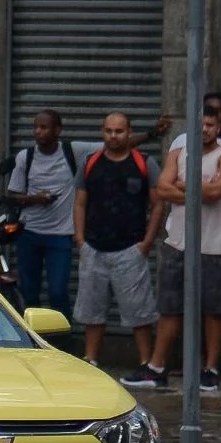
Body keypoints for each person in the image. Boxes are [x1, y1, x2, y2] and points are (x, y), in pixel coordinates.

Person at [133, 107, 221, 393]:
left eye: (210, 124)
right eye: (200, 124)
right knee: (169, 307)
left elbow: (217, 193)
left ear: (219, 128)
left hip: (213, 245)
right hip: (177, 241)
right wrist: (198, 187)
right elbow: (162, 189)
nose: (204, 129)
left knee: (212, 309)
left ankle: (211, 368)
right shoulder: (178, 154)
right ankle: (156, 367)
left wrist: (181, 185)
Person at [72, 112, 159, 373]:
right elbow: (79, 202)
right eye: (109, 131)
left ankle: (146, 364)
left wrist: (146, 243)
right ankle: (91, 361)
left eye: (119, 131)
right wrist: (80, 240)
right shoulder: (90, 163)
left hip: (130, 250)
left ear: (129, 132)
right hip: (94, 249)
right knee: (91, 312)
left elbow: (158, 205)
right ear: (102, 132)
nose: (113, 136)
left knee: (139, 314)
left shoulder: (145, 163)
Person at [7, 109, 83, 317]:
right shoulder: (26, 157)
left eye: (44, 127)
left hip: (60, 236)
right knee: (29, 293)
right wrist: (35, 199)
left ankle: (63, 340)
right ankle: (35, 339)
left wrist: (150, 135)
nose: (38, 132)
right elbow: (13, 195)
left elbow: (112, 145)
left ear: (57, 130)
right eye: (35, 127)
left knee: (58, 292)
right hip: (29, 234)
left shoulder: (72, 152)